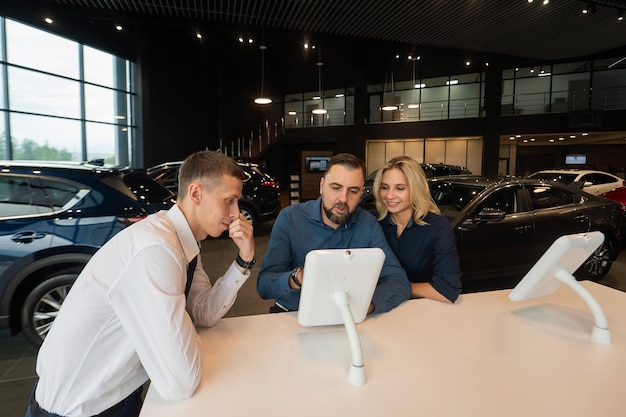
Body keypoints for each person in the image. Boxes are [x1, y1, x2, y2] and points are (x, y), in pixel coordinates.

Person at [25, 150, 257, 417]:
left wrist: (245, 260)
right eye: (229, 201)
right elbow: (181, 381)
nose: (236, 214)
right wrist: (184, 321)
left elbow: (203, 313)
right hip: (79, 408)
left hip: (119, 395)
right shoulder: (156, 249)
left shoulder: (183, 244)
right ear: (196, 194)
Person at [257, 152, 411, 314]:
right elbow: (264, 286)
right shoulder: (291, 218)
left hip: (348, 316)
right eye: (336, 187)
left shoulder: (367, 224)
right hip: (293, 313)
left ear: (361, 193)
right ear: (322, 185)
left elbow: (398, 281)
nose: (343, 199)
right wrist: (297, 278)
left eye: (353, 191)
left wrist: (367, 305)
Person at [373, 156, 462, 303]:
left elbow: (447, 290)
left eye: (400, 188)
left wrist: (396, 289)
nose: (389, 195)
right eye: (384, 187)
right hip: (378, 309)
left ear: (416, 189)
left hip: (420, 311)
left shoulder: (438, 227)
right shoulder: (372, 221)